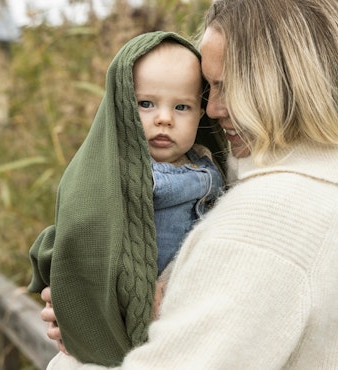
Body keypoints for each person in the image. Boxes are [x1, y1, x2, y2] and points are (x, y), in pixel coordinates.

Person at [43, 0, 338, 368]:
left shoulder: (265, 224)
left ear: (286, 83)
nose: (212, 109)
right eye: (209, 87)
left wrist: (83, 351)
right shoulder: (334, 182)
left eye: (227, 86)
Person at [27, 31, 226, 366]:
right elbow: (81, 231)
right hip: (138, 317)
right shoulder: (113, 175)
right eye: (146, 104)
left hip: (194, 316)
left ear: (201, 112)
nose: (164, 118)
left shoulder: (209, 161)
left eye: (182, 106)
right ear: (121, 105)